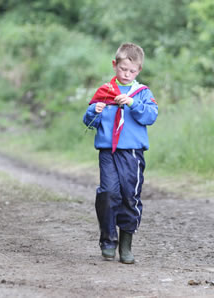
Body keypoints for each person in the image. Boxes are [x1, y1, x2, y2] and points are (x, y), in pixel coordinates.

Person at [83, 43, 158, 264]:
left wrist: (133, 103)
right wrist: (93, 111)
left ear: (139, 70)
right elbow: (89, 122)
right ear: (115, 65)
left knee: (129, 196)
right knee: (107, 193)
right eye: (122, 69)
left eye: (132, 71)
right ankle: (108, 240)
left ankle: (126, 245)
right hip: (108, 151)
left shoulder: (142, 93)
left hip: (132, 154)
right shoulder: (105, 91)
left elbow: (150, 117)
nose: (126, 74)